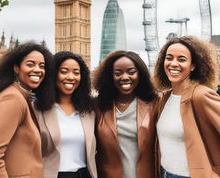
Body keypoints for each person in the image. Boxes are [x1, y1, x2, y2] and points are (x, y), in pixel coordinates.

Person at [0, 41, 53, 178]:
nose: (38, 70)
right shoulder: (13, 99)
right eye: (30, 64)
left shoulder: (19, 95)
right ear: (16, 68)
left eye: (42, 66)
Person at [153, 36, 220, 178]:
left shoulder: (201, 95)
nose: (173, 64)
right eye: (169, 58)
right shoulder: (165, 98)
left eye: (181, 59)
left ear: (193, 66)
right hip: (165, 172)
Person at [93, 50, 158, 178]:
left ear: (140, 74)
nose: (125, 77)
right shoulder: (97, 106)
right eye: (117, 73)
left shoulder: (155, 103)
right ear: (109, 77)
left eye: (131, 72)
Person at [34, 51, 97, 178]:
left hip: (84, 174)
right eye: (63, 71)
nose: (71, 77)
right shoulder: (37, 108)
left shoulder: (89, 110)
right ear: (53, 74)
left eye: (76, 73)